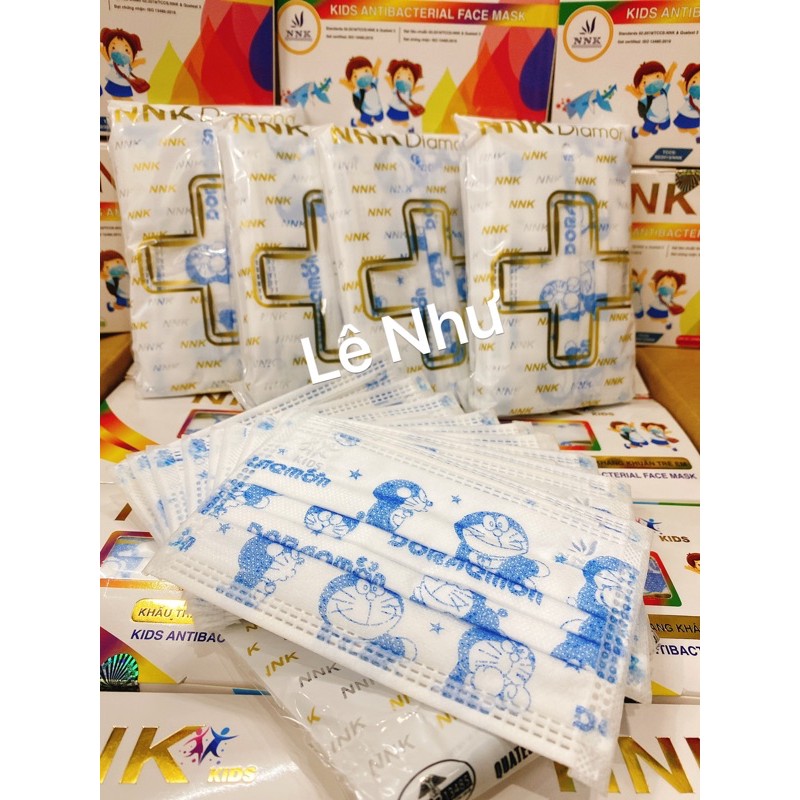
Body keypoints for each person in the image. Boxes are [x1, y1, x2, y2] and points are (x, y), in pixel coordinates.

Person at [626, 60, 677, 139]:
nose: (652, 83)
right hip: (651, 120)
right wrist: (631, 90)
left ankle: (655, 127)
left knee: (665, 127)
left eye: (657, 76)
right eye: (645, 82)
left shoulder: (663, 91)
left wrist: (672, 68)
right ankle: (636, 129)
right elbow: (638, 95)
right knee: (645, 133)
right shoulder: (646, 99)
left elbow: (668, 79)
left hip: (665, 118)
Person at [100, 28, 147, 99]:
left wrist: (140, 61)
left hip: (124, 84)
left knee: (126, 99)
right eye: (113, 47)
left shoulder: (126, 65)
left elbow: (132, 65)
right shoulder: (113, 63)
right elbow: (105, 55)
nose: (120, 53)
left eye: (126, 50)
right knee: (115, 98)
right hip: (114, 83)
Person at [341, 56, 384, 127]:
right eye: (355, 76)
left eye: (366, 71)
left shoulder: (373, 84)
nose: (362, 77)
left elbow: (375, 74)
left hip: (378, 110)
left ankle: (371, 120)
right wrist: (345, 83)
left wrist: (378, 64)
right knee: (364, 124)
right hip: (367, 112)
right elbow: (352, 89)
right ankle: (355, 121)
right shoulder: (360, 92)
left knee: (380, 118)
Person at [385, 59, 425, 128]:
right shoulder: (396, 90)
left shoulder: (407, 92)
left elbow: (412, 92)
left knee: (398, 122)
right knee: (394, 122)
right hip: (395, 108)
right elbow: (392, 86)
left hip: (402, 109)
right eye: (398, 77)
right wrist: (388, 80)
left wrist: (418, 89)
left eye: (409, 78)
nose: (403, 81)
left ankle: (408, 127)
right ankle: (407, 127)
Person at [674, 63, 700, 143]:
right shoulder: (691, 96)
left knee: (686, 128)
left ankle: (698, 135)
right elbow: (686, 97)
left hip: (691, 116)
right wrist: (682, 88)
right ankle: (697, 134)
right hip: (686, 114)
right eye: (694, 81)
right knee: (681, 129)